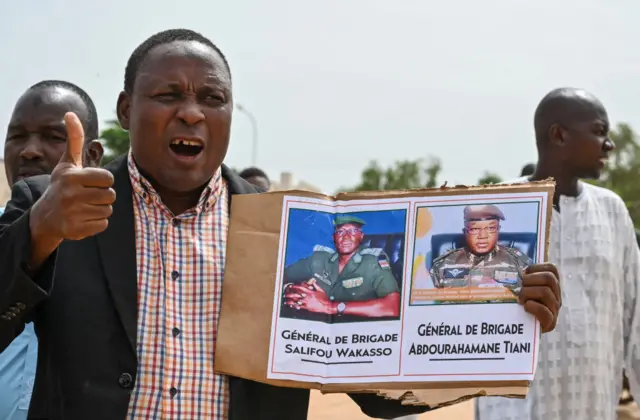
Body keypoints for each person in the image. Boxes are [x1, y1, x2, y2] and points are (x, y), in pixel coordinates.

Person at [0, 29, 561, 420]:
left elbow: (368, 378)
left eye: (212, 98)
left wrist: (500, 320)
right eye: (168, 95)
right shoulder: (55, 204)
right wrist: (40, 233)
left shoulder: (288, 230)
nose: (192, 112)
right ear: (126, 110)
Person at [476, 87, 640, 420]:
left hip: (591, 407)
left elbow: (635, 319)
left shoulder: (612, 211)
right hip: (509, 411)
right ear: (559, 135)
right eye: (598, 132)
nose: (609, 144)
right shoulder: (494, 208)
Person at [0, 79, 102, 420]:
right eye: (17, 136)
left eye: (52, 137)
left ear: (92, 155)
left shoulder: (116, 252)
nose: (29, 150)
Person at [282, 215, 401, 320]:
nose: (346, 237)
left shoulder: (373, 262)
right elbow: (280, 277)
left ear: (361, 236)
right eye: (340, 232)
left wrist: (330, 307)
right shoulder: (318, 259)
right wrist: (290, 288)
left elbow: (392, 306)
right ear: (334, 237)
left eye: (353, 231)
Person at [430, 204, 532, 295]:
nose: (482, 236)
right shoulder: (442, 265)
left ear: (498, 230)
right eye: (475, 229)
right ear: (465, 231)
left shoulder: (519, 263)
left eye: (491, 228)